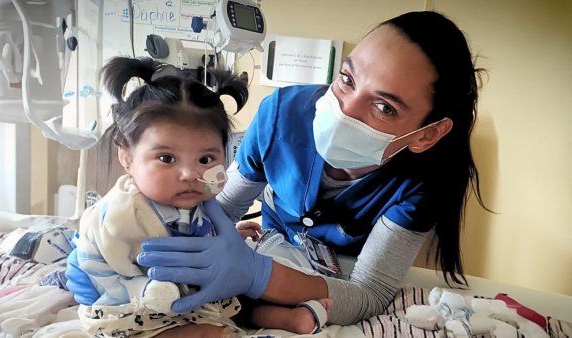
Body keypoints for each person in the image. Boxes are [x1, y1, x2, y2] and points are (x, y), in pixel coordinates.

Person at [67, 10, 489, 336]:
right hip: (270, 244)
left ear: (427, 134)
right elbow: (223, 204)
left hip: (333, 277)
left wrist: (254, 274)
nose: (345, 108)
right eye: (346, 79)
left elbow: (371, 293)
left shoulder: (422, 182)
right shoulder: (282, 115)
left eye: (384, 107)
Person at [73, 56, 251, 337]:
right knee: (117, 325)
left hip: (176, 288)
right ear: (128, 158)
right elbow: (109, 271)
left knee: (245, 293)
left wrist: (229, 238)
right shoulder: (124, 214)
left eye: (206, 158)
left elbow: (194, 235)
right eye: (167, 158)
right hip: (125, 293)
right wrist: (146, 290)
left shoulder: (194, 198)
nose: (190, 174)